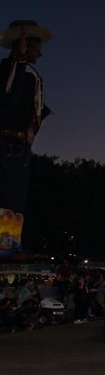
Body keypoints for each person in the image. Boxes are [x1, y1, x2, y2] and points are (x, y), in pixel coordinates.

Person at [0, 20, 52, 253]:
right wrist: (18, 60)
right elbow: (7, 95)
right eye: (36, 46)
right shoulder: (12, 69)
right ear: (25, 45)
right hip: (8, 142)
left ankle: (11, 242)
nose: (40, 53)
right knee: (7, 193)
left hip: (20, 144)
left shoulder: (29, 72)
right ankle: (3, 243)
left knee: (16, 196)